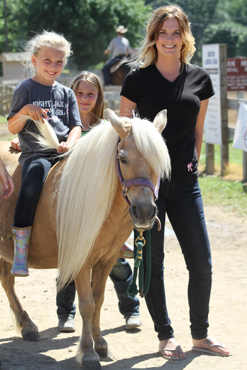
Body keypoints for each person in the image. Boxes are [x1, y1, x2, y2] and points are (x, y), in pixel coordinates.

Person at [119, 4, 232, 360]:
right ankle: (164, 335)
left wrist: (192, 163)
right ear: (153, 37)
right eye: (162, 32)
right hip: (146, 188)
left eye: (175, 32)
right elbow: (123, 135)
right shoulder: (136, 80)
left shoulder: (200, 79)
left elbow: (198, 130)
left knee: (202, 263)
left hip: (185, 183)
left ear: (185, 37)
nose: (169, 39)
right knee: (153, 263)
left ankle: (201, 335)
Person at [54, 71, 141, 332]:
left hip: (102, 209)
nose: (84, 98)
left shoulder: (107, 127)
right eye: (79, 93)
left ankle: (130, 308)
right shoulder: (62, 123)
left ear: (98, 96)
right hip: (73, 206)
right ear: (71, 94)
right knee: (71, 263)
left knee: (115, 261)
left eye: (90, 93)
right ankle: (66, 313)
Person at [7, 30, 82, 277]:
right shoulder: (25, 89)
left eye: (59, 61)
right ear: (34, 61)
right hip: (37, 154)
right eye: (47, 60)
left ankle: (110, 238)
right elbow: (12, 126)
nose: (53, 66)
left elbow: (76, 126)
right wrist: (26, 110)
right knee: (31, 182)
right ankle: (20, 251)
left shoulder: (67, 93)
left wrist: (70, 144)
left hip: (65, 152)